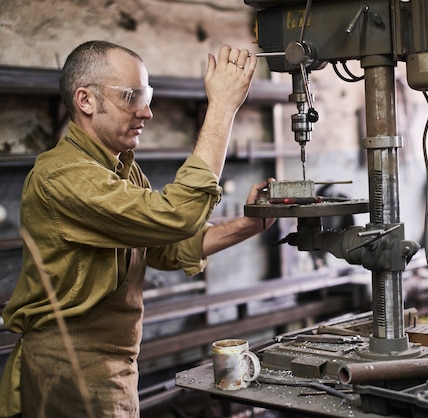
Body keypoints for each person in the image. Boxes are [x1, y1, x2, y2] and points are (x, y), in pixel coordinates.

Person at [0, 40, 274, 417]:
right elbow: (178, 215)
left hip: (113, 364)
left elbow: (165, 246)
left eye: (147, 96)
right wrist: (223, 107)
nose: (146, 112)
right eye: (131, 96)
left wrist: (248, 225)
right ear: (86, 100)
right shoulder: (62, 176)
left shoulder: (121, 168)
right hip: (70, 370)